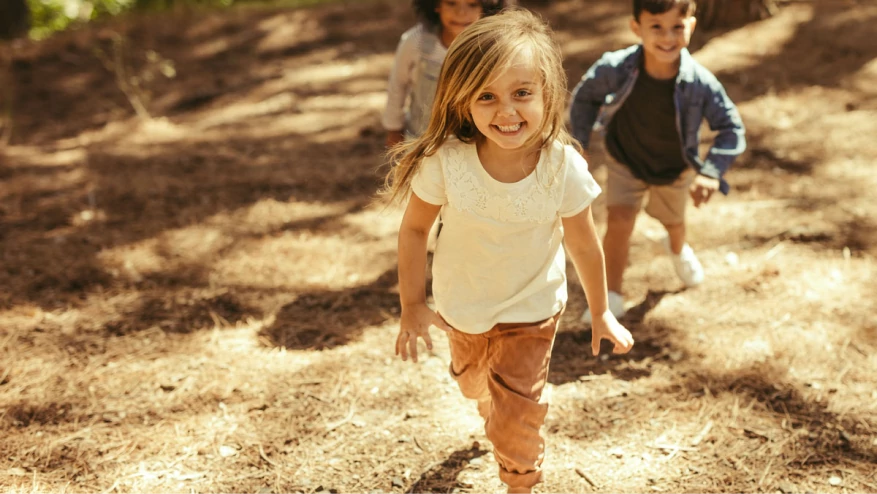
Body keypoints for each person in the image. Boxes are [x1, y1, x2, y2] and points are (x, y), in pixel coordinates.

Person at [382, 9, 634, 493]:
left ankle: (520, 480)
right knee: (474, 386)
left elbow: (583, 241)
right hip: (464, 307)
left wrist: (601, 311)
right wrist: (412, 304)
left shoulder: (561, 166)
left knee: (516, 421)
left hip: (533, 310)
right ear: (463, 101)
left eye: (522, 93)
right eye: (487, 96)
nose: (507, 111)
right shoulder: (446, 162)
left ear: (547, 94)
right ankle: (487, 401)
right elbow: (414, 231)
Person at [569, 0, 746, 322]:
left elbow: (731, 128)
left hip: (673, 168)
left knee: (673, 222)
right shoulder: (616, 67)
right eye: (656, 27)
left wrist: (710, 172)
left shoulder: (701, 83)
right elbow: (584, 97)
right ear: (636, 28)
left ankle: (677, 248)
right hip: (625, 158)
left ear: (690, 26)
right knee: (620, 221)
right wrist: (580, 142)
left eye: (677, 27)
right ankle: (611, 297)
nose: (668, 37)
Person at [382, 0, 512, 148]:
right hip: (423, 140)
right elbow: (397, 85)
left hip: (474, 144)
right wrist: (393, 129)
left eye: (472, 5)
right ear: (436, 5)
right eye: (451, 3)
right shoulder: (416, 41)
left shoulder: (494, 45)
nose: (461, 13)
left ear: (487, 8)